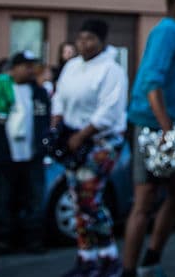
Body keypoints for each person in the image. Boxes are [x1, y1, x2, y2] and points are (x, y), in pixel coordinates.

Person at [122, 0, 175, 277]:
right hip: (151, 126)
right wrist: (167, 129)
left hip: (166, 125)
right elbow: (151, 82)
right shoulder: (167, 31)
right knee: (144, 200)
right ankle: (129, 270)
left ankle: (151, 260)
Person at [51, 19, 127, 277]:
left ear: (102, 41)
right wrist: (57, 125)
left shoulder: (111, 70)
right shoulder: (71, 67)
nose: (84, 44)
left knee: (89, 199)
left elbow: (109, 111)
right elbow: (59, 98)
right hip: (72, 140)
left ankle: (109, 257)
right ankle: (87, 258)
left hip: (100, 142)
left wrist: (83, 135)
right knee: (77, 200)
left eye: (90, 39)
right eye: (80, 38)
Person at [0, 51, 50, 254]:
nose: (30, 70)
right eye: (25, 66)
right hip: (7, 156)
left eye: (32, 66)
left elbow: (44, 121)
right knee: (4, 198)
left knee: (34, 197)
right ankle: (4, 238)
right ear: (13, 69)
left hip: (32, 155)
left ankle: (33, 239)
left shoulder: (39, 93)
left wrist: (42, 146)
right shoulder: (0, 92)